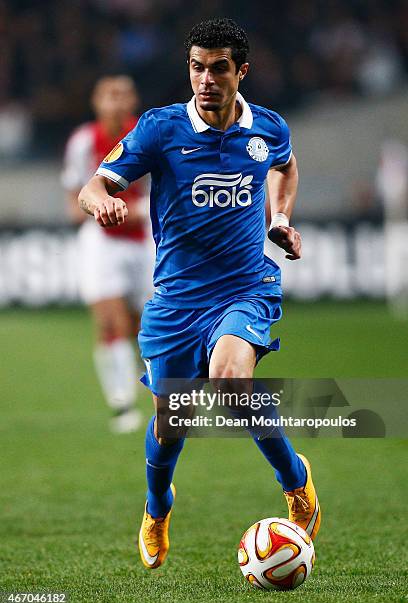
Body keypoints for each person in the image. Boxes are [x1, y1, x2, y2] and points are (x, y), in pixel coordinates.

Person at [78, 18, 321, 569]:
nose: (205, 79)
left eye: (217, 68)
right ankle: (157, 508)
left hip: (245, 285)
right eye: (196, 67)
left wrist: (279, 217)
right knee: (171, 424)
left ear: (241, 71)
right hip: (177, 300)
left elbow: (286, 165)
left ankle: (295, 482)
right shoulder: (160, 130)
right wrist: (102, 204)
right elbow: (97, 184)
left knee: (233, 381)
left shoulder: (267, 129)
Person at [62, 75, 153, 433]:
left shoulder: (148, 135)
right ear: (96, 101)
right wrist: (94, 208)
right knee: (110, 321)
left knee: (140, 326)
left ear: (132, 100)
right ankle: (122, 403)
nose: (115, 102)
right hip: (100, 241)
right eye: (108, 95)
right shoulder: (84, 141)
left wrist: (138, 212)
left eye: (122, 95)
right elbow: (73, 198)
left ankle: (155, 390)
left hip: (144, 240)